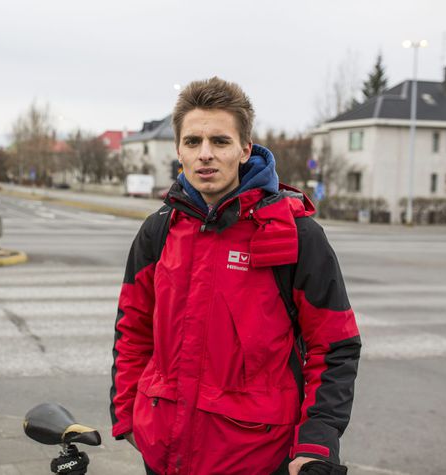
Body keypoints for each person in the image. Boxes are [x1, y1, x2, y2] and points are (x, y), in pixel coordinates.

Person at [109, 77, 361, 475]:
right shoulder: (158, 229)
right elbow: (132, 331)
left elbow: (334, 346)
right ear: (178, 150)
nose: (205, 154)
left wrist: (316, 443)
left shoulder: (295, 234)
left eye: (220, 141)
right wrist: (128, 416)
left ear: (245, 149)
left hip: (256, 459)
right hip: (163, 454)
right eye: (193, 142)